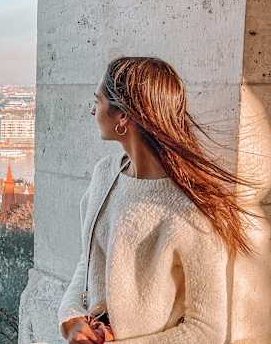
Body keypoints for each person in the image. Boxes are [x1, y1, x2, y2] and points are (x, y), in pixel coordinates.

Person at [58, 57, 261, 343]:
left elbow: (207, 330)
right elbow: (89, 258)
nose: (93, 110)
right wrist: (71, 318)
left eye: (98, 100)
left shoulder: (191, 212)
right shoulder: (104, 175)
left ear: (123, 117)